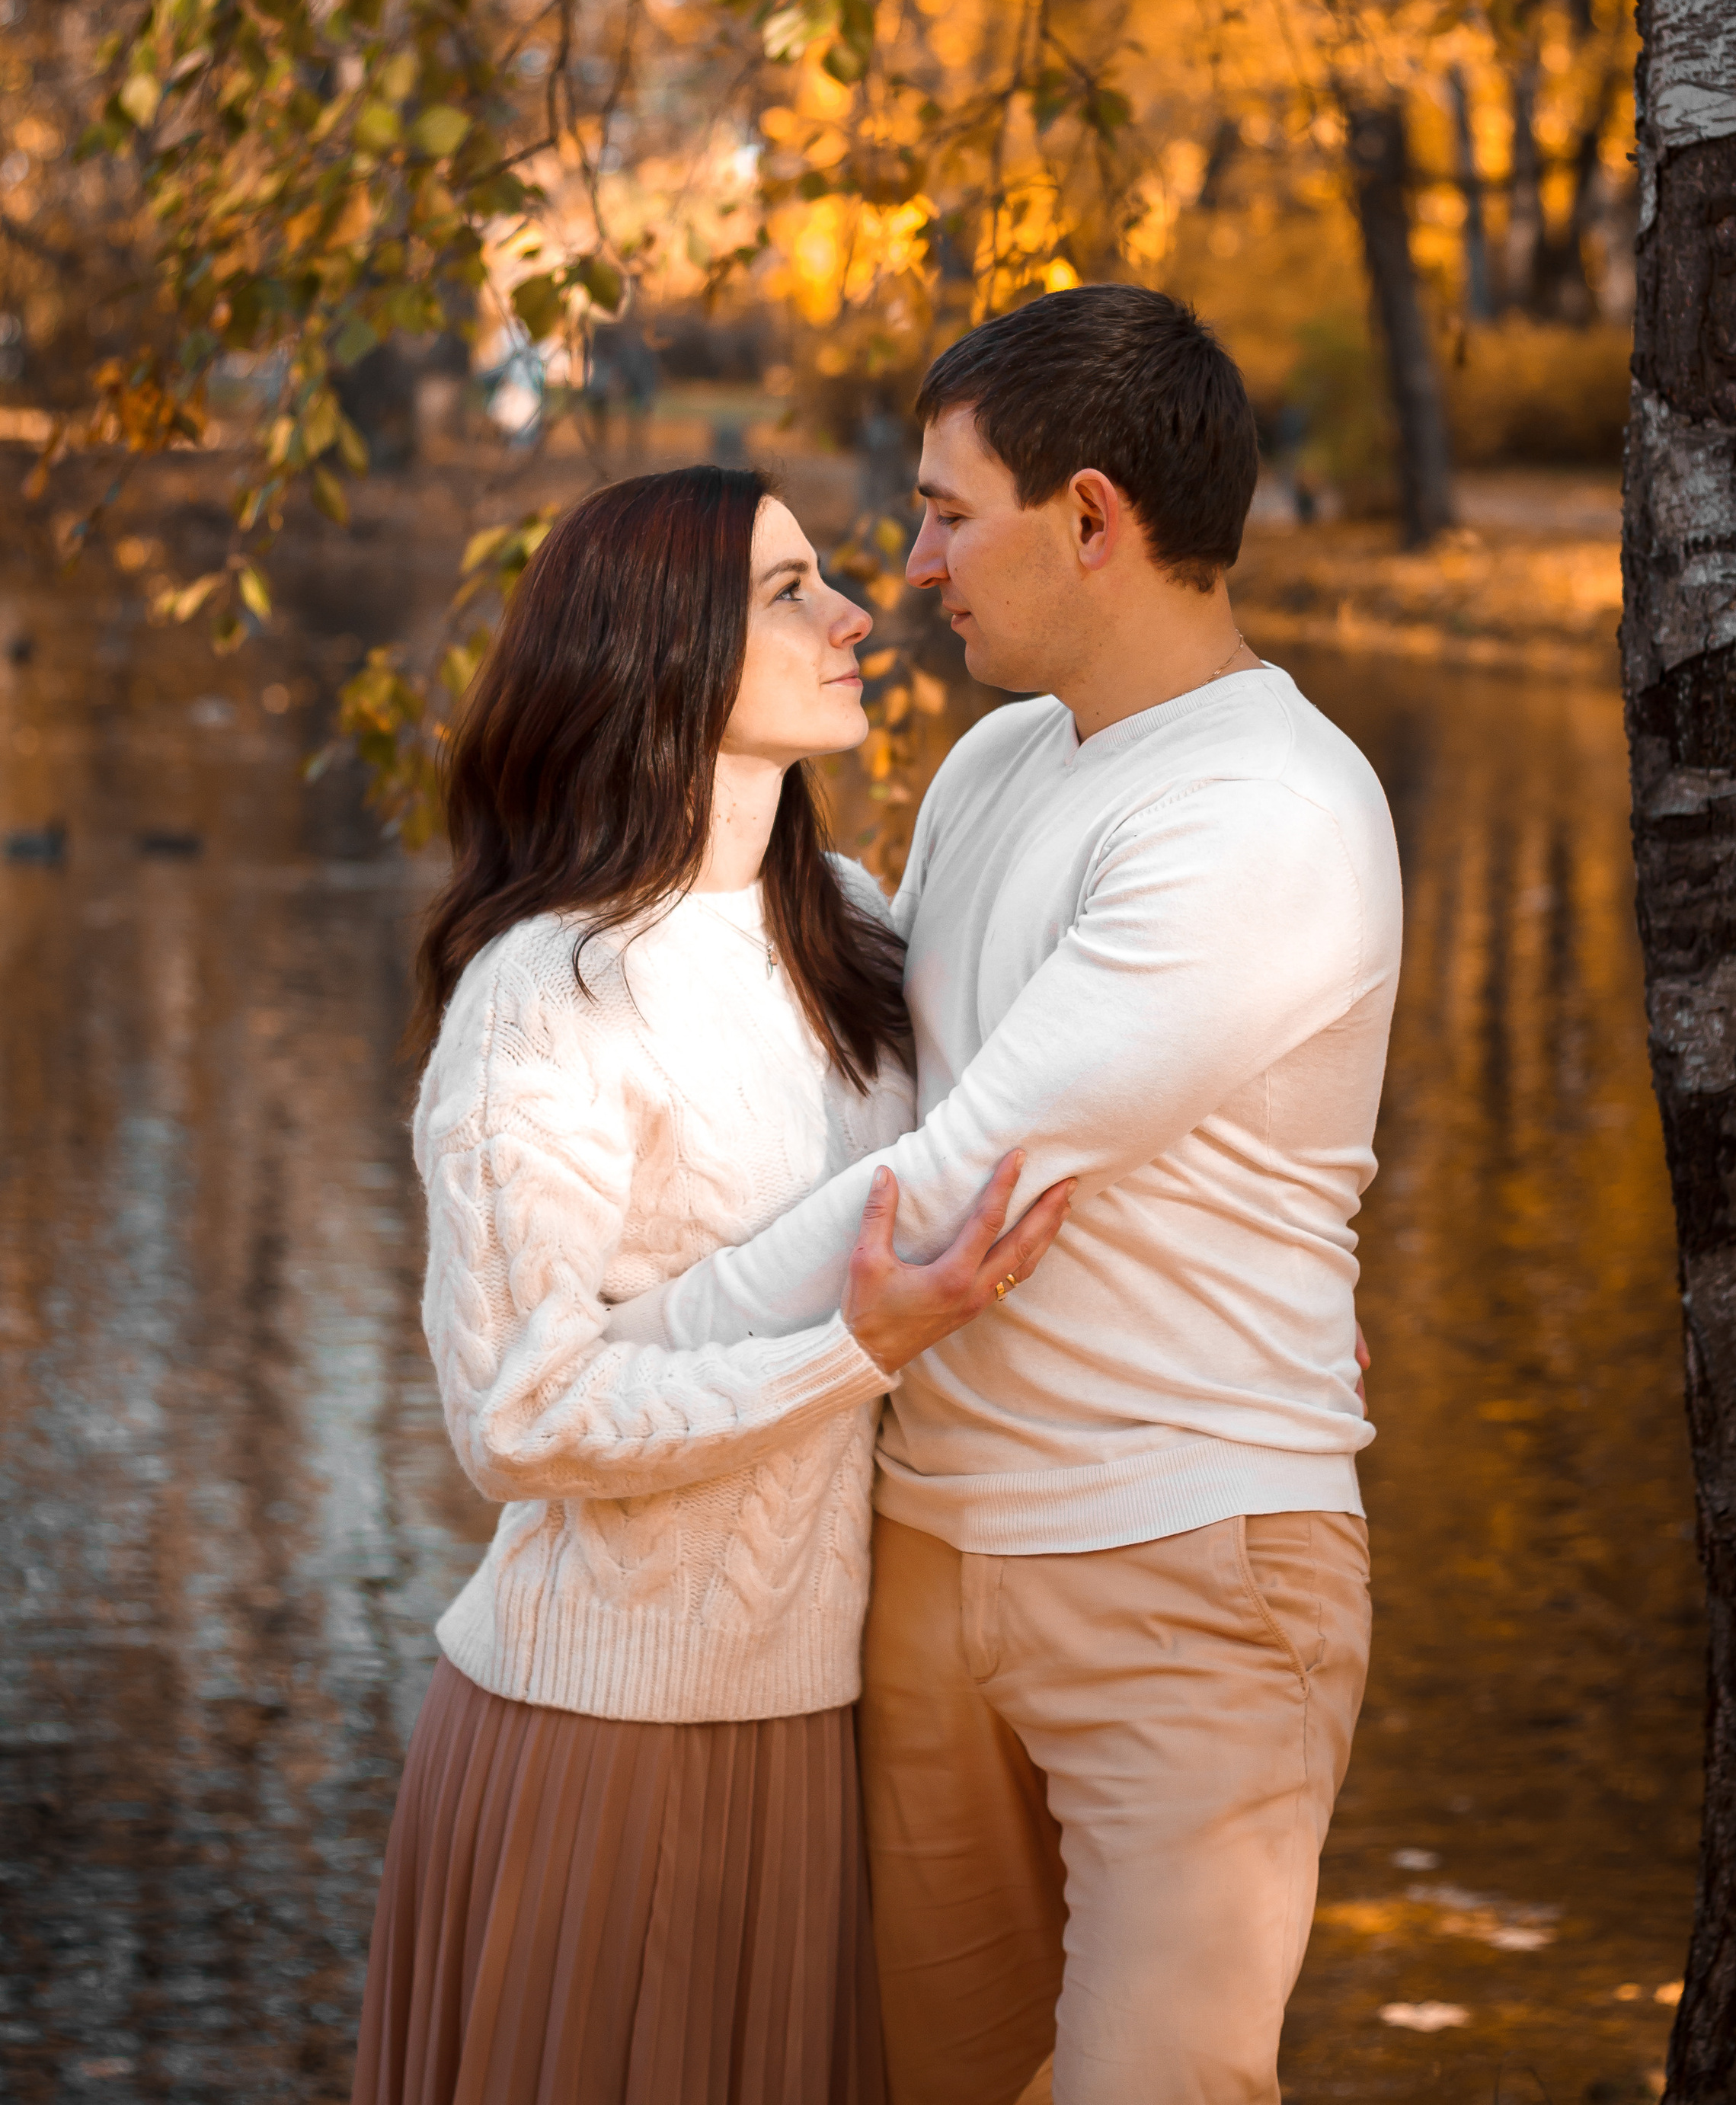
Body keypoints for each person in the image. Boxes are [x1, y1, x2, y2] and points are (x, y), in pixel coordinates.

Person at [607, 288, 1402, 2105]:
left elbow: (956, 1181)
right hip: (929, 1553)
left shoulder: (1265, 812)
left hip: (1186, 1566)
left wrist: (632, 1358)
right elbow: (864, 1007)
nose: (911, 563)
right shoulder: (998, 759)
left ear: (1095, 520)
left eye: (946, 513)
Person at [351, 466, 1071, 2105]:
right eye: (786, 590)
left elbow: (1032, 1155)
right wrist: (850, 1352)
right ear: (655, 649)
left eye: (828, 574)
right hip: (602, 1737)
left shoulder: (851, 929)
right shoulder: (549, 994)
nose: (852, 612)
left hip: (825, 1723)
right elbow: (519, 1421)